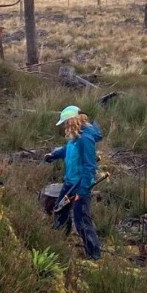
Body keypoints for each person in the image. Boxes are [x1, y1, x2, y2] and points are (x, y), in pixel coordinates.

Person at [44, 105, 103, 260]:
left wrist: (82, 192)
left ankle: (94, 255)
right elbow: (68, 149)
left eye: (65, 122)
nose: (64, 126)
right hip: (69, 183)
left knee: (82, 220)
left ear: (72, 121)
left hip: (80, 186)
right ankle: (59, 241)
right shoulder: (76, 137)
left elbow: (89, 166)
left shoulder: (85, 139)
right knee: (60, 210)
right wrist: (53, 155)